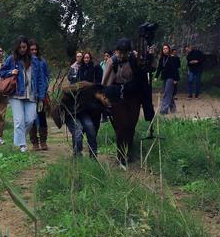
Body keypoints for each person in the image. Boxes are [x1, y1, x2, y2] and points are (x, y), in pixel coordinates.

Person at [101, 38, 149, 166]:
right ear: (117, 51)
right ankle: (121, 155)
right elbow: (105, 83)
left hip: (133, 97)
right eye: (120, 52)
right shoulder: (112, 62)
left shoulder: (134, 59)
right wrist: (105, 100)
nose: (122, 55)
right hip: (117, 97)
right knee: (121, 127)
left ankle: (129, 152)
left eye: (125, 52)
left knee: (131, 126)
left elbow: (144, 72)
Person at [0, 36, 47, 153]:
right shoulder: (11, 59)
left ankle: (18, 140)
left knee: (31, 119)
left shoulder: (35, 61)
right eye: (20, 47)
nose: (22, 49)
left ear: (27, 47)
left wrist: (41, 97)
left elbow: (41, 79)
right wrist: (11, 71)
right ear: (17, 47)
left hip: (32, 95)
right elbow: (2, 72)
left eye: (24, 47)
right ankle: (22, 145)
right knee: (19, 121)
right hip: (16, 94)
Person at [62, 50, 103, 157]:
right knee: (78, 130)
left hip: (85, 109)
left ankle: (93, 155)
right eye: (83, 57)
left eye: (87, 57)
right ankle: (77, 155)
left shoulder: (95, 69)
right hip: (74, 112)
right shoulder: (73, 88)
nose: (85, 59)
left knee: (90, 128)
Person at [28, 39, 51, 151]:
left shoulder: (42, 61)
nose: (34, 51)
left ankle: (43, 141)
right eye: (31, 49)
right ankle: (34, 142)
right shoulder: (26, 62)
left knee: (42, 117)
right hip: (29, 94)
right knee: (31, 118)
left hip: (41, 94)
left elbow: (47, 76)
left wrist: (45, 89)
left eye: (35, 49)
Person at [155, 43, 180, 114]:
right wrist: (156, 76)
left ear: (169, 49)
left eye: (166, 48)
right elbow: (159, 68)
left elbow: (175, 69)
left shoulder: (172, 58)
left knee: (166, 92)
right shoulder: (162, 59)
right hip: (164, 77)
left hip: (171, 77)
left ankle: (164, 109)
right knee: (169, 93)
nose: (165, 50)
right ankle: (173, 108)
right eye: (163, 49)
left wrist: (176, 79)